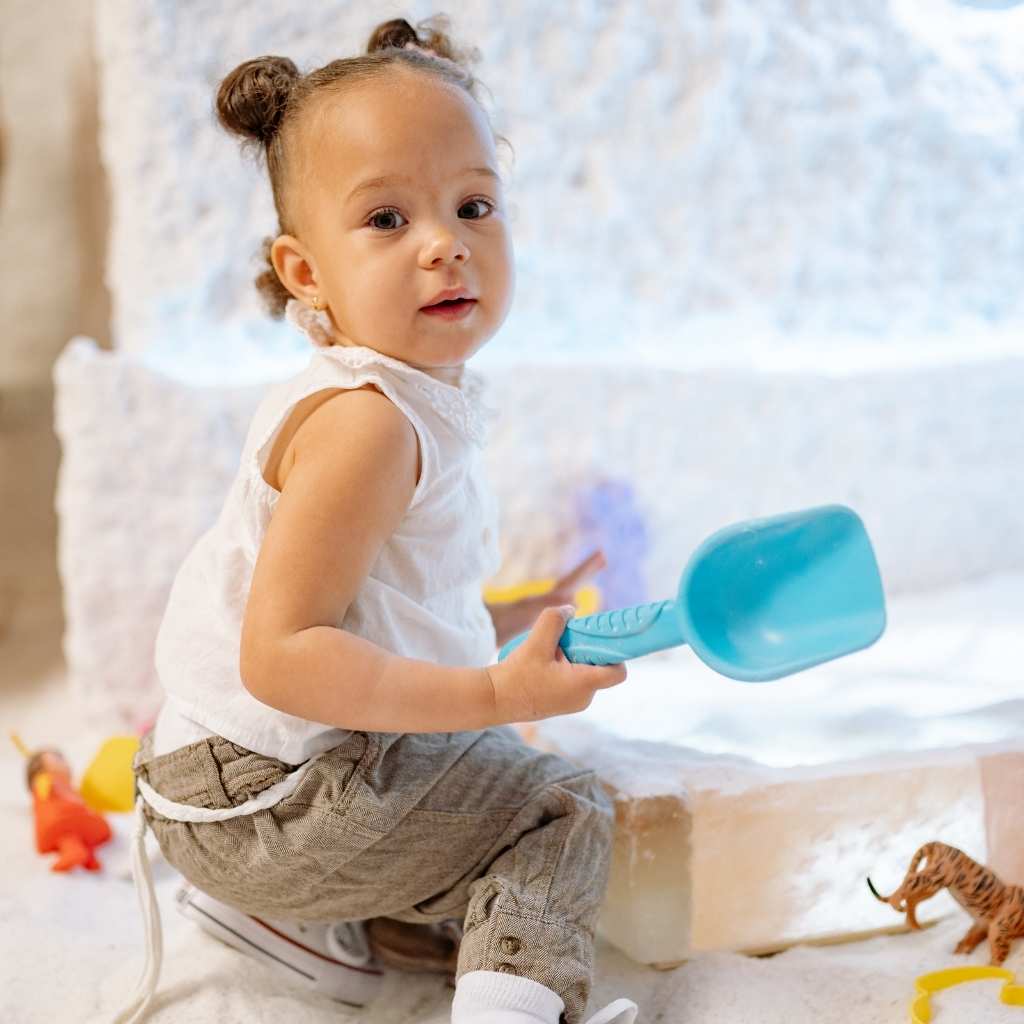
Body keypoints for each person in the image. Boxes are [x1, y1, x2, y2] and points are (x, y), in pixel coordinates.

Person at [115, 15, 638, 1024]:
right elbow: (284, 654)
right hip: (267, 799)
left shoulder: (396, 402)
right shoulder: (367, 426)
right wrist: (490, 692)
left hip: (244, 786)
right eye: (388, 220)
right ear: (306, 272)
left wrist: (503, 615)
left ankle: (313, 928)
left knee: (470, 794)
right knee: (558, 805)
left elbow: (375, 607)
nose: (445, 243)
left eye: (473, 205)